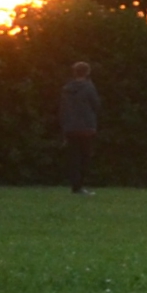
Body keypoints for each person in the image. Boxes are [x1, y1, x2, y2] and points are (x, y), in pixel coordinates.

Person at [59, 62, 101, 195]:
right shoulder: (89, 87)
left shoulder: (66, 89)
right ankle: (81, 186)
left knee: (73, 157)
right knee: (85, 157)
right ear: (87, 72)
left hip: (70, 127)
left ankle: (75, 186)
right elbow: (96, 105)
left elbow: (62, 109)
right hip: (86, 127)